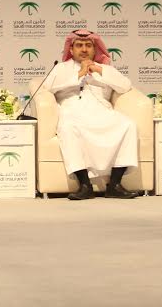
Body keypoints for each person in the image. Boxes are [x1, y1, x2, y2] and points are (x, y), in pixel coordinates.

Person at [44, 29, 139, 200]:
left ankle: (115, 185)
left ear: (95, 49)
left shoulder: (105, 69)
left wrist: (98, 70)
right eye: (79, 45)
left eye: (88, 45)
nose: (84, 49)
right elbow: (48, 87)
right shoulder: (61, 68)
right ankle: (84, 185)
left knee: (128, 125)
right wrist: (79, 74)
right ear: (71, 49)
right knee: (68, 128)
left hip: (102, 111)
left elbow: (125, 86)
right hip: (73, 111)